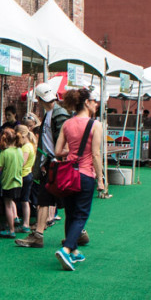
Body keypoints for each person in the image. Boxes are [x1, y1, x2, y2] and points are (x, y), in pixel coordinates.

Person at [52, 87, 105, 270]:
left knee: (71, 213)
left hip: (69, 175)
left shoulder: (67, 124)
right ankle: (66, 250)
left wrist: (72, 151)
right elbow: (96, 154)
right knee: (81, 215)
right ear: (86, 103)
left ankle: (73, 251)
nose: (96, 104)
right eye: (94, 101)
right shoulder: (95, 125)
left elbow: (58, 152)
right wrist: (101, 179)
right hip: (85, 174)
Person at [16, 83, 68, 248]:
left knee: (65, 200)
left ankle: (78, 232)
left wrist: (53, 161)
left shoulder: (58, 114)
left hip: (57, 165)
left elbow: (63, 141)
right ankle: (38, 234)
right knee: (45, 199)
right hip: (51, 165)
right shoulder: (50, 114)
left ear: (38, 99)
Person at [0, 128, 23, 238]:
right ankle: (12, 224)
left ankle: (11, 230)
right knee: (11, 203)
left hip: (8, 183)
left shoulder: (4, 153)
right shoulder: (19, 150)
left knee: (8, 205)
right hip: (18, 182)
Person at [15, 124, 36, 233]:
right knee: (24, 200)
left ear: (23, 136)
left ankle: (25, 224)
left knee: (24, 200)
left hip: (24, 175)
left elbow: (22, 163)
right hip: (27, 175)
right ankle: (24, 223)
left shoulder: (26, 147)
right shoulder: (29, 146)